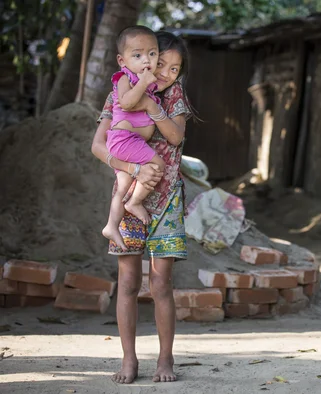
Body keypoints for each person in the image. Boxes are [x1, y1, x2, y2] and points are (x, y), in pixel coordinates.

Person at [91, 31, 196, 384]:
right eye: (158, 62)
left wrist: (152, 106)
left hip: (166, 201)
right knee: (128, 282)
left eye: (173, 68)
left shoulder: (174, 95)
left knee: (161, 284)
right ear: (142, 59)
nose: (163, 71)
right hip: (127, 200)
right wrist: (132, 168)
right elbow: (98, 146)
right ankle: (129, 360)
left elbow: (176, 137)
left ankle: (165, 360)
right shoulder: (121, 91)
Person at [102, 26, 166, 251]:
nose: (146, 60)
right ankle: (135, 202)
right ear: (122, 60)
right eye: (137, 55)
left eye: (152, 53)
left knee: (123, 185)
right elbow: (127, 102)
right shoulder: (124, 78)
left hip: (128, 141)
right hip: (125, 140)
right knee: (158, 164)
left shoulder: (149, 84)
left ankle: (111, 224)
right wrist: (143, 82)